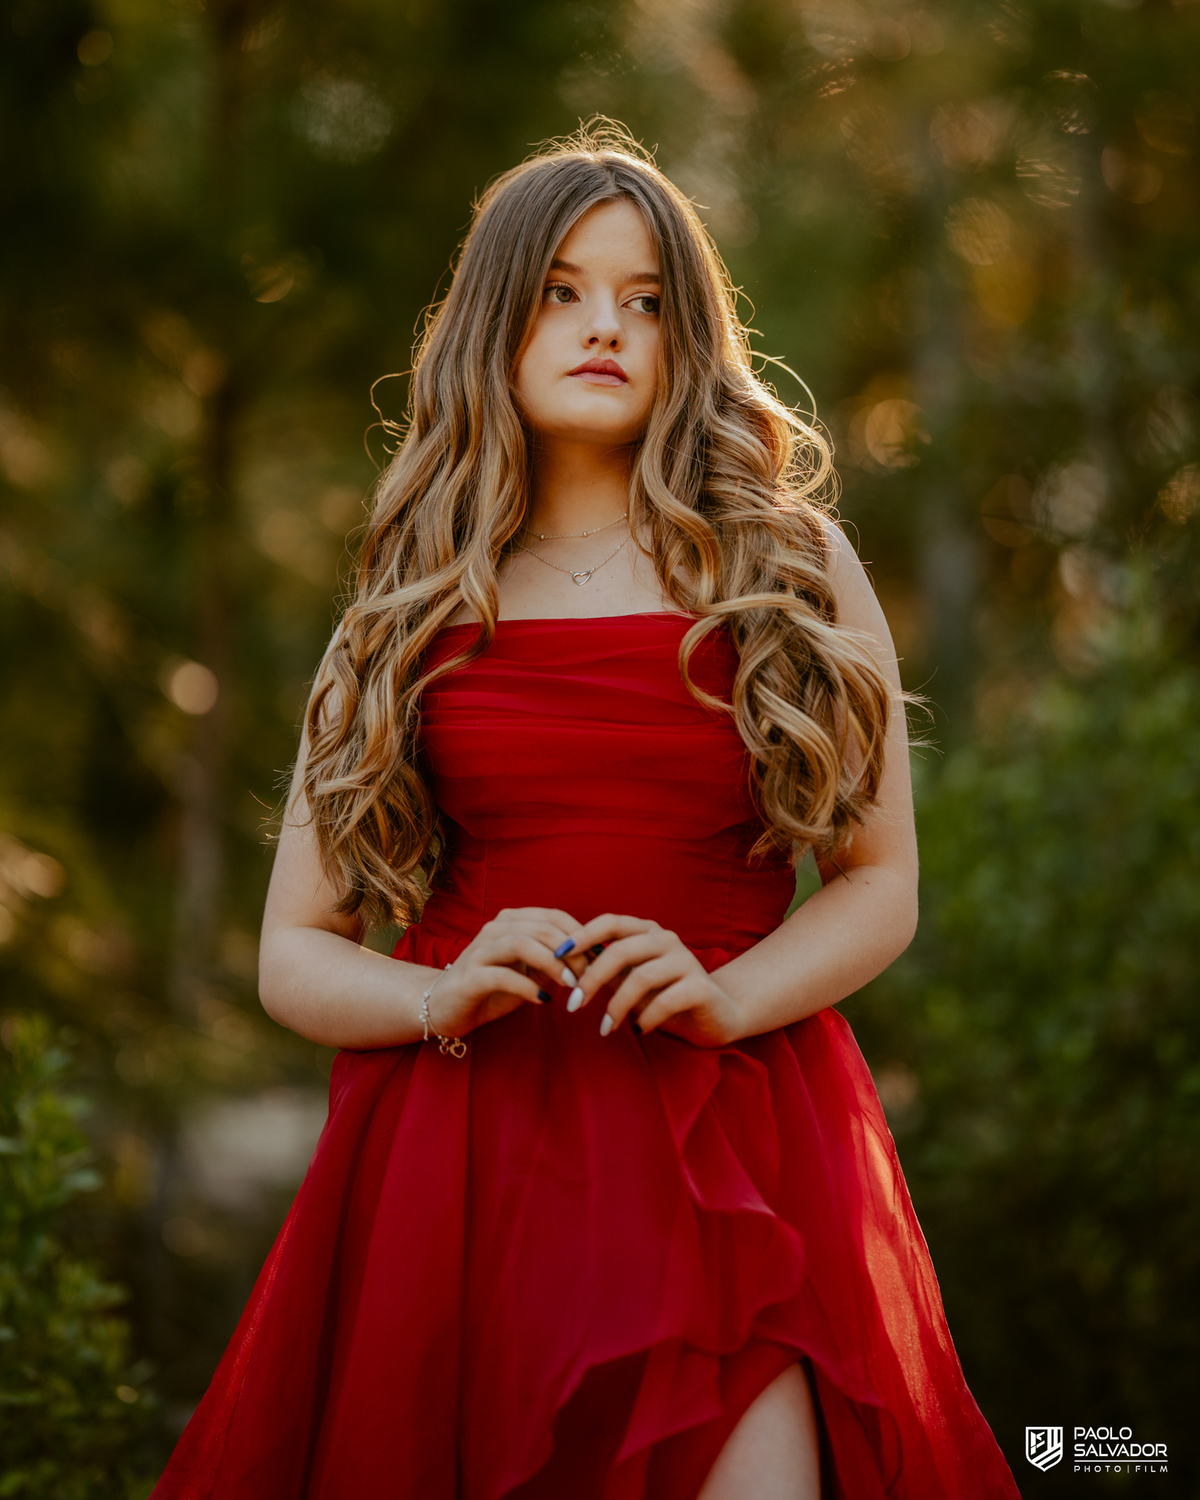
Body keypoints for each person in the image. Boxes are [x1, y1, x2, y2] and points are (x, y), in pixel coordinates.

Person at [151, 124, 1020, 1500]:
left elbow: (878, 881)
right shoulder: (412, 590)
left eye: (647, 298)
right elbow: (293, 953)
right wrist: (438, 997)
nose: (605, 325)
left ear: (690, 334)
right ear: (495, 320)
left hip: (734, 1136)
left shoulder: (787, 564)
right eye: (561, 289)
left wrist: (732, 998)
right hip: (462, 1156)